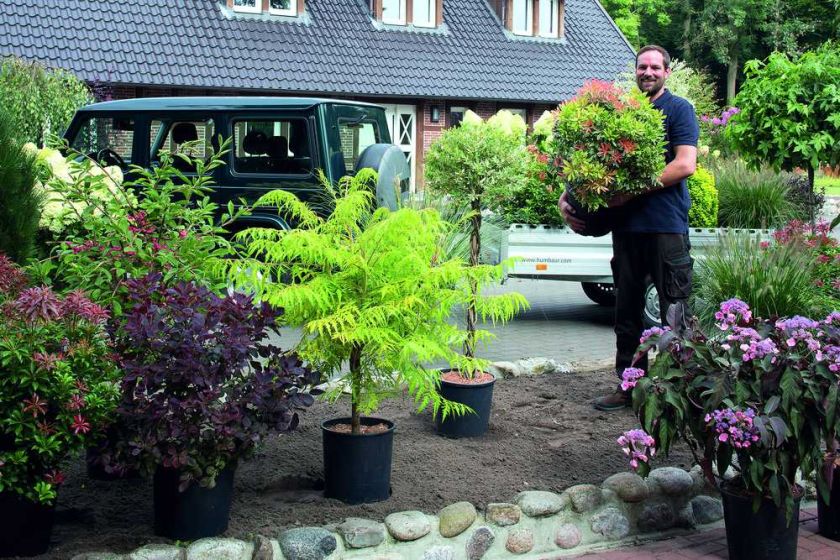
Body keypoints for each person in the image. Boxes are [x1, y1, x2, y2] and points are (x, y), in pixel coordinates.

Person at [559, 45, 700, 411]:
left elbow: (685, 165)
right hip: (627, 231)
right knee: (628, 315)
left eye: (655, 67)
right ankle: (630, 387)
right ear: (635, 71)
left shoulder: (678, 109)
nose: (648, 72)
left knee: (675, 314)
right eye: (642, 66)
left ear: (666, 72)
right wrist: (568, 197)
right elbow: (593, 163)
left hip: (665, 229)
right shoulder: (623, 115)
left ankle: (676, 395)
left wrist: (632, 191)